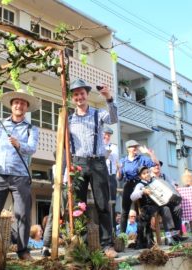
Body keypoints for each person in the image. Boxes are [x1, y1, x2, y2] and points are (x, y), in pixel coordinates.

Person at [0, 88, 40, 261]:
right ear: (11, 105)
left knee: (22, 214)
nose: (19, 105)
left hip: (20, 176)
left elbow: (32, 148)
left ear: (26, 107)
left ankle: (23, 251)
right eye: (16, 102)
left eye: (23, 103)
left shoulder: (32, 128)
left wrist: (19, 144)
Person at [68, 78, 118, 258]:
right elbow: (64, 143)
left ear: (87, 95)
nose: (79, 97)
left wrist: (109, 98)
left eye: (82, 93)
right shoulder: (69, 118)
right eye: (75, 94)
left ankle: (107, 245)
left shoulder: (98, 113)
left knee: (102, 203)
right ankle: (80, 244)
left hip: (97, 162)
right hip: (78, 162)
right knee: (77, 205)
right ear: (72, 98)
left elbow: (113, 119)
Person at [116, 140, 158, 237]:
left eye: (136, 146)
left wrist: (149, 153)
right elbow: (119, 178)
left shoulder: (141, 158)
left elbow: (155, 163)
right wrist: (118, 169)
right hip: (129, 184)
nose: (135, 148)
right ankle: (122, 237)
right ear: (128, 149)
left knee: (144, 210)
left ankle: (145, 236)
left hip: (140, 184)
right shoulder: (123, 161)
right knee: (125, 211)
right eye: (132, 146)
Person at [151, 161, 187, 243]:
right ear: (150, 167)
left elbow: (172, 183)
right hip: (156, 204)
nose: (157, 166)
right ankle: (168, 237)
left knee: (177, 208)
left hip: (167, 201)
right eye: (155, 165)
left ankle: (176, 235)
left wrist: (175, 185)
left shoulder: (164, 176)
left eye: (158, 165)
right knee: (166, 209)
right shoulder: (149, 178)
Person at [129, 166, 159, 249]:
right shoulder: (140, 185)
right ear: (140, 176)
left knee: (143, 217)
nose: (146, 174)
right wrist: (143, 191)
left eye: (147, 172)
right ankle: (147, 241)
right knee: (144, 216)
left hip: (155, 206)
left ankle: (142, 241)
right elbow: (132, 197)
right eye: (144, 173)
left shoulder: (154, 181)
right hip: (145, 208)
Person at [103, 126, 119, 230]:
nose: (107, 137)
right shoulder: (98, 145)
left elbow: (114, 157)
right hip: (100, 176)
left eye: (109, 135)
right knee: (102, 202)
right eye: (105, 134)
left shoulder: (113, 146)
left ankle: (112, 228)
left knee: (112, 202)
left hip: (110, 175)